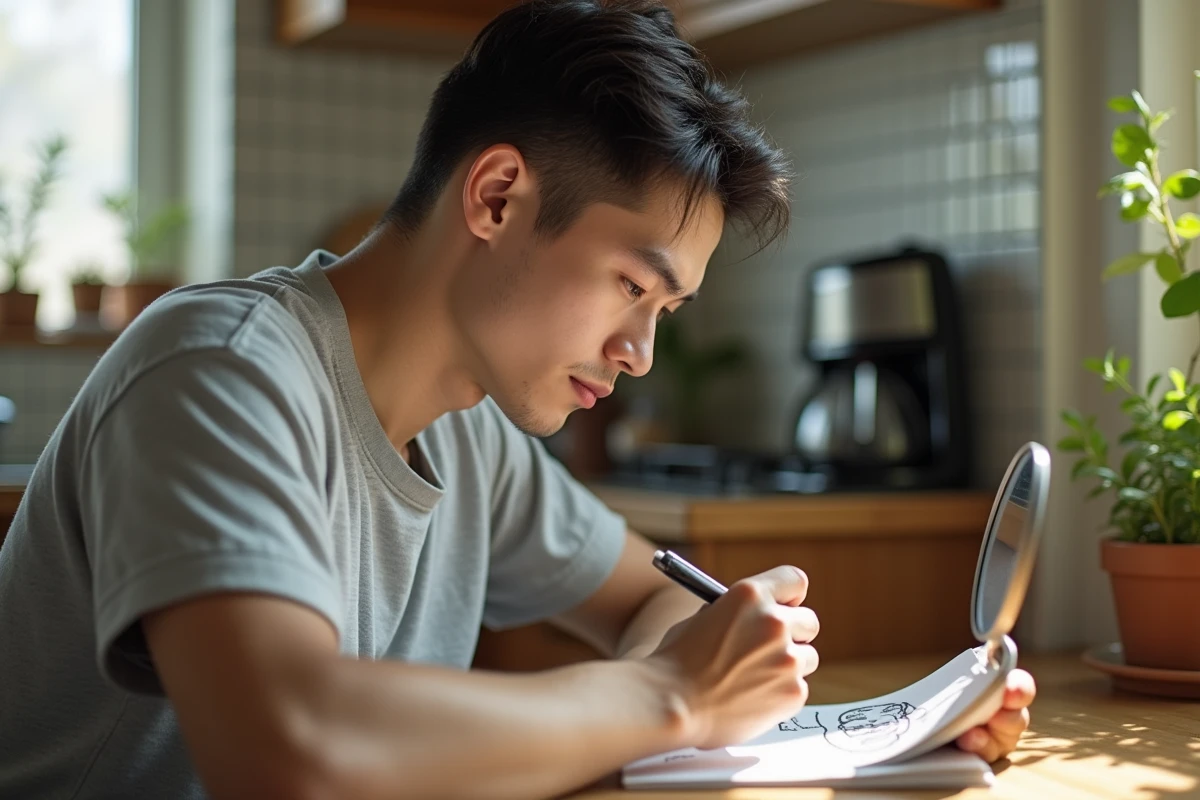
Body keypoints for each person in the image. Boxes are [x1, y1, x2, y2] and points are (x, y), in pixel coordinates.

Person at [0, 1, 1035, 797]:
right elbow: (288, 748)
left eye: (665, 310)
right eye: (634, 286)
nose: (638, 352)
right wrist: (667, 694)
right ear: (498, 197)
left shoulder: (470, 436)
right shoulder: (220, 368)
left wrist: (712, 681)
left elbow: (653, 595)